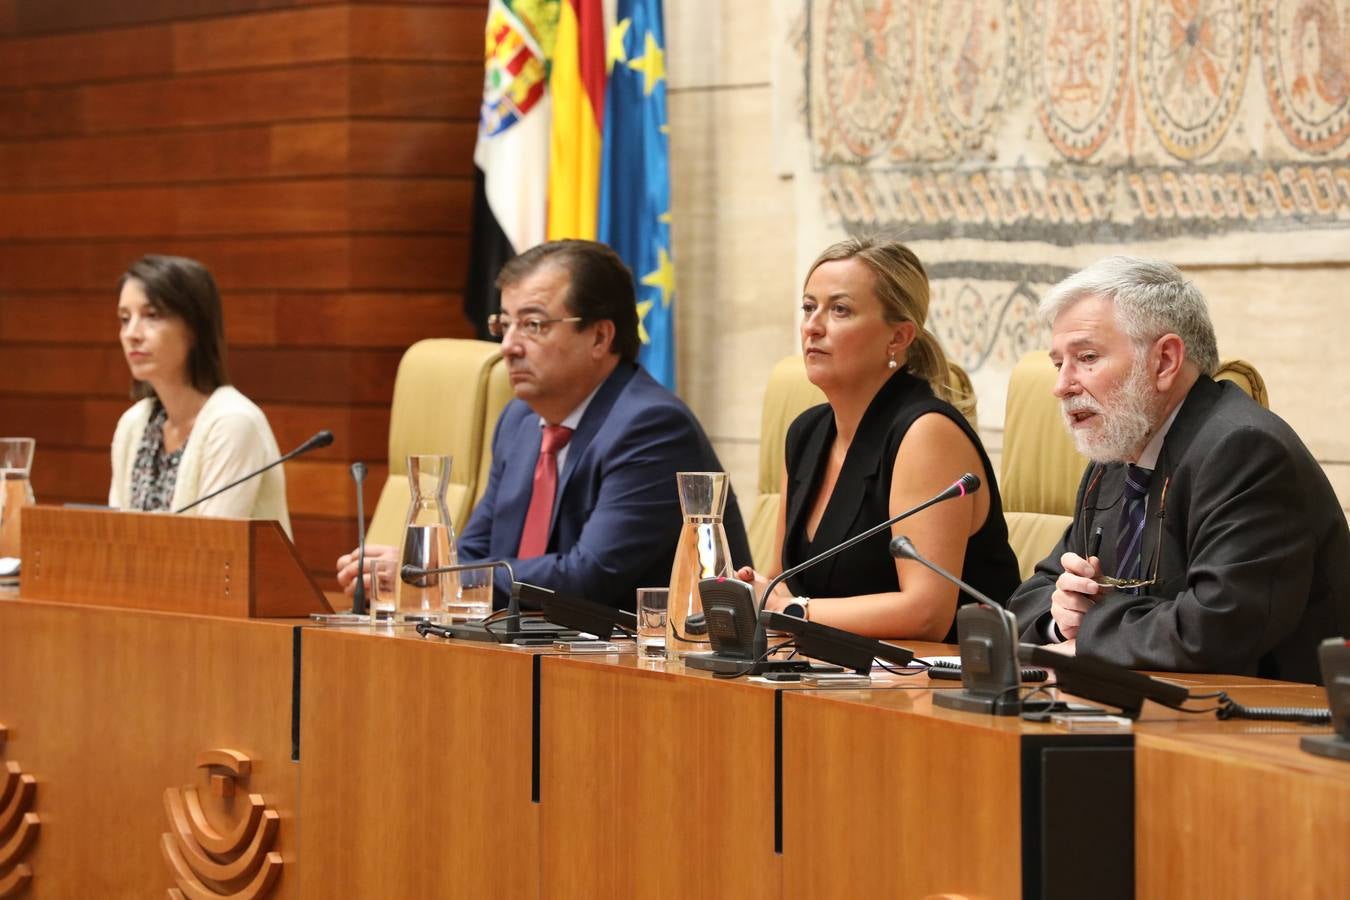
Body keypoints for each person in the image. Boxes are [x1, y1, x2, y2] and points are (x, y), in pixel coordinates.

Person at [338, 239, 750, 608]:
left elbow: (588, 576)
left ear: (600, 338)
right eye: (504, 324)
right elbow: (475, 552)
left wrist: (435, 575)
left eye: (533, 325)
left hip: (632, 669)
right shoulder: (519, 422)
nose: (509, 347)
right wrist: (429, 572)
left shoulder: (651, 428)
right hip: (532, 652)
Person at [1009, 256, 1350, 683]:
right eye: (1060, 364)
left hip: (1267, 724)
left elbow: (1216, 626)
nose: (1061, 386)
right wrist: (1060, 617)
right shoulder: (1115, 459)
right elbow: (1028, 597)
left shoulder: (1244, 451)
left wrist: (1092, 632)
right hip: (1154, 708)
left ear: (1165, 360)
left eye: (1088, 357)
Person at [735, 238, 1019, 642]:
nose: (813, 326)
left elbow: (927, 614)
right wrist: (751, 590)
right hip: (833, 674)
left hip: (944, 683)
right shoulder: (805, 434)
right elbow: (783, 582)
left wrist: (791, 610)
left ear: (899, 337)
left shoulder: (926, 434)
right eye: (808, 306)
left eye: (840, 309)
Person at [109, 254, 292, 536]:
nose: (131, 333)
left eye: (152, 316)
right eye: (124, 319)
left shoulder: (233, 423)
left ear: (195, 328)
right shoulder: (133, 424)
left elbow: (211, 553)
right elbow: (112, 534)